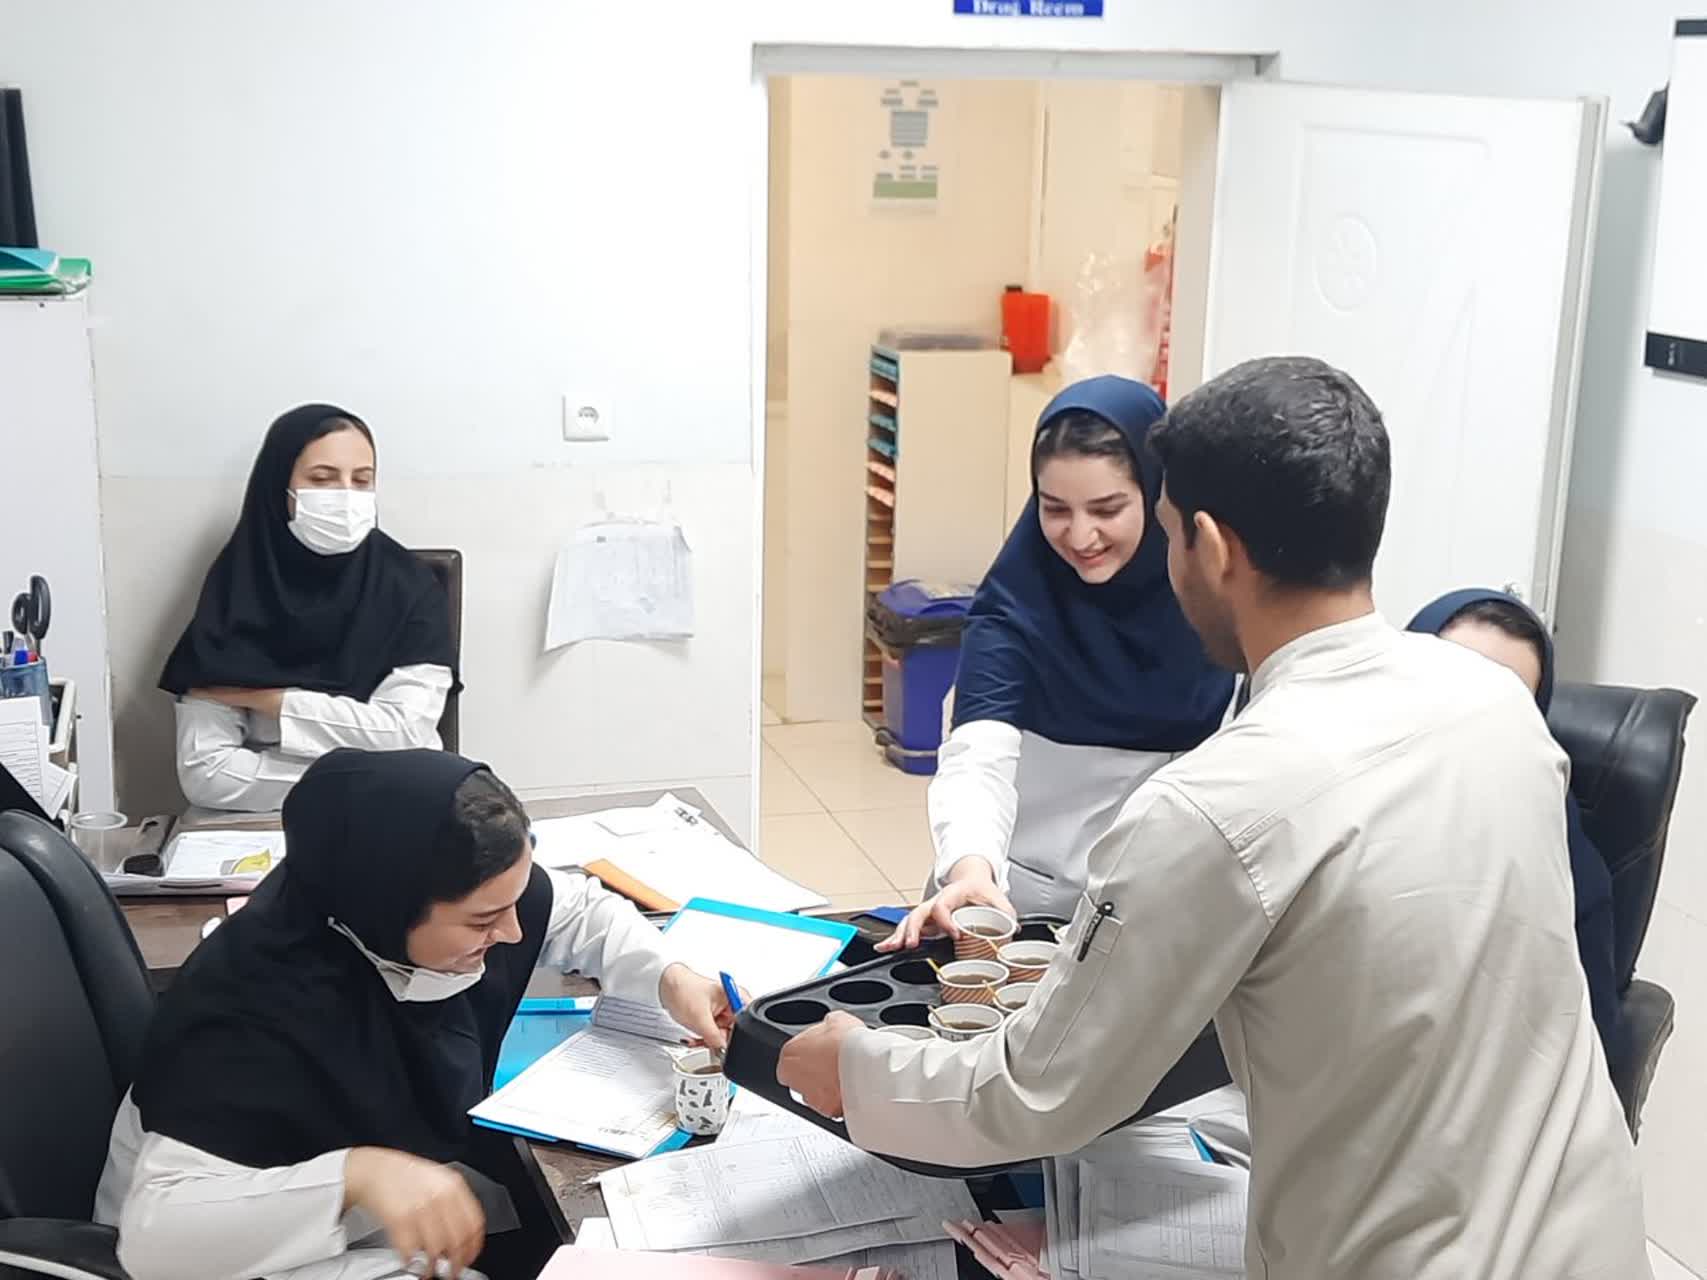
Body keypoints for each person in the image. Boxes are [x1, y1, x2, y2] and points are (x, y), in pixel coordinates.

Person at [779, 356, 1648, 1279]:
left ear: (1208, 543)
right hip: (1584, 1241)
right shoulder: (1491, 701)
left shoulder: (1210, 809)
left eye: (1152, 526)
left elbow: (1038, 1091)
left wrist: (856, 1069)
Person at [97, 749, 735, 1280]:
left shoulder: (400, 911)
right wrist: (357, 1175)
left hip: (372, 1208)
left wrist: (670, 977)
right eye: (483, 920)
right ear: (389, 904)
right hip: (237, 1251)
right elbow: (156, 1240)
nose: (513, 932)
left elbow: (576, 910)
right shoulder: (251, 1016)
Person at [886, 376, 1232, 941]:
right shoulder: (1016, 610)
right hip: (1010, 896)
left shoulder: (1212, 609)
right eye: (1055, 509)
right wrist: (971, 866)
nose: (1080, 535)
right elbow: (978, 756)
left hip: (1154, 906)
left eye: (1107, 508)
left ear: (1157, 494)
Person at [160, 404, 457, 812]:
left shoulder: (410, 588)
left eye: (362, 480)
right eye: (322, 479)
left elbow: (405, 733)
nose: (346, 496)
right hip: (266, 827)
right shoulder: (238, 589)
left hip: (394, 815)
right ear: (277, 486)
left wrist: (270, 700)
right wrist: (375, 773)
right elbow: (206, 773)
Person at [1408, 587, 1632, 1090]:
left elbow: (1593, 1059)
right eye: (1450, 689)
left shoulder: (1561, 855)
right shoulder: (1335, 799)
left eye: (1504, 708)